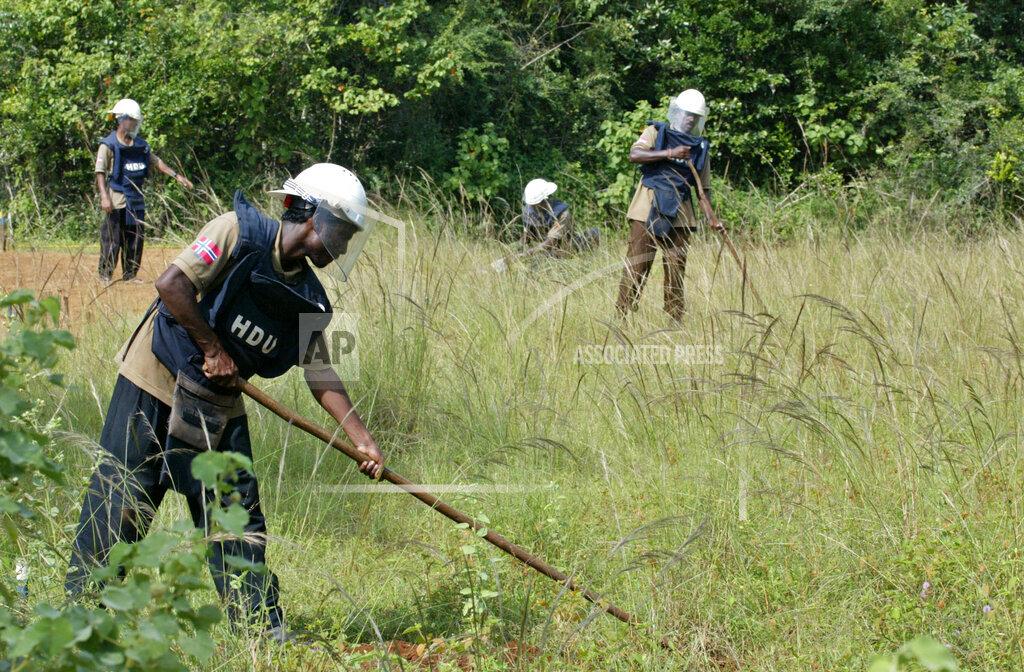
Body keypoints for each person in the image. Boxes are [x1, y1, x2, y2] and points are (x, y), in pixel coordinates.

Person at [67, 163, 383, 642]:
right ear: (307, 212)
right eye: (339, 232)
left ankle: (259, 630)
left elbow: (322, 372)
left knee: (236, 514)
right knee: (120, 503)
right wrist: (213, 348)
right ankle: (81, 618)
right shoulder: (234, 230)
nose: (341, 246)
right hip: (153, 378)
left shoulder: (313, 303)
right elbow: (170, 284)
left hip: (219, 402)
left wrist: (363, 439)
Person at [614, 89, 720, 322]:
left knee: (675, 270)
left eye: (695, 115)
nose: (690, 118)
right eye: (687, 113)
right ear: (677, 112)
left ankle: (675, 321)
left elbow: (703, 190)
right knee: (637, 265)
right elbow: (635, 154)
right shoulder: (655, 132)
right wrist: (670, 153)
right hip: (646, 206)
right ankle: (621, 318)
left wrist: (713, 218)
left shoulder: (700, 148)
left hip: (681, 212)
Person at [95, 98, 194, 283]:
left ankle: (130, 275)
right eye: (132, 120)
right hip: (116, 198)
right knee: (112, 238)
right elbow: (99, 172)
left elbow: (157, 162)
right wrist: (104, 197)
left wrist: (177, 176)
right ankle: (105, 275)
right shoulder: (108, 145)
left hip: (136, 200)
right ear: (122, 120)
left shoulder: (140, 146)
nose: (135, 124)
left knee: (135, 238)